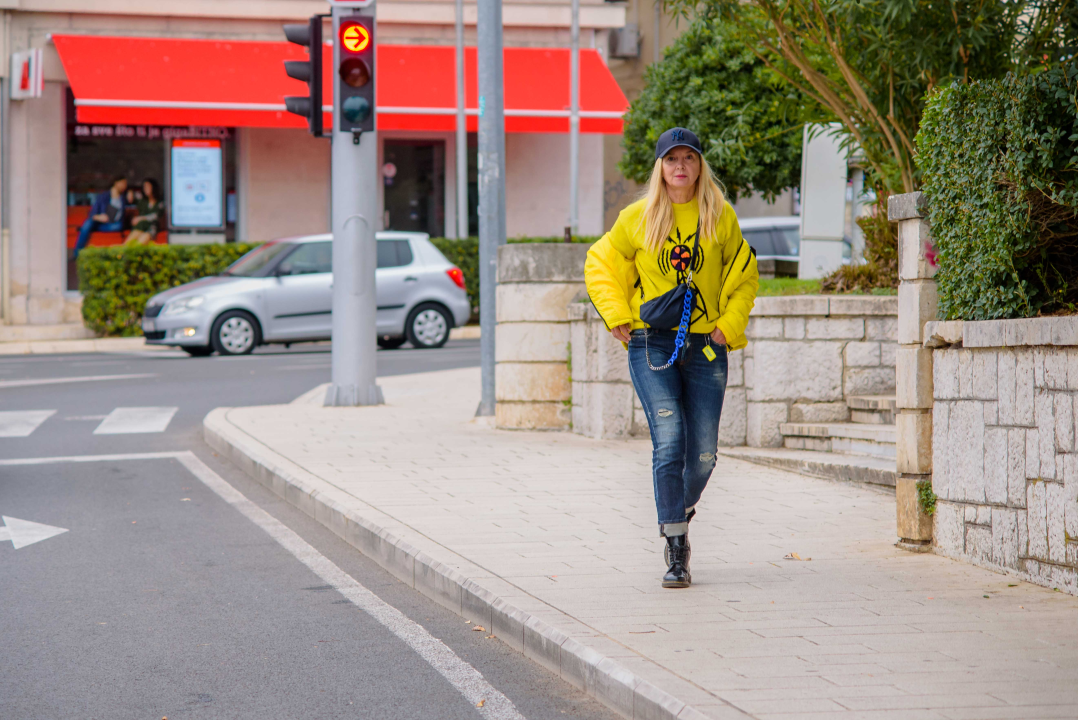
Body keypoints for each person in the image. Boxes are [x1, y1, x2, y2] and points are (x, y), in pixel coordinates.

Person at [584, 128, 759, 589]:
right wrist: (615, 314)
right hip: (652, 343)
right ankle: (677, 548)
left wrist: (727, 327)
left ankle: (676, 508)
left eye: (689, 158)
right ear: (659, 167)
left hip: (706, 346)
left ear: (700, 165)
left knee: (703, 455)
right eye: (671, 159)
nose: (680, 166)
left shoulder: (720, 216)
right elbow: (600, 261)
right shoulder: (638, 216)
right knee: (669, 440)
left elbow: (745, 275)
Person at [73, 176, 128, 259]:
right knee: (88, 222)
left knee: (119, 225)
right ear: (116, 182)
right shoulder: (104, 196)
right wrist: (99, 217)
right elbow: (92, 213)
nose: (124, 186)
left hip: (112, 225)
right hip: (99, 222)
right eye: (123, 183)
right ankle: (76, 254)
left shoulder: (123, 198)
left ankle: (86, 229)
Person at [124, 178, 165, 246]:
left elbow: (156, 216)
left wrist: (141, 218)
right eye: (144, 187)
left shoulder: (160, 203)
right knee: (128, 243)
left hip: (152, 227)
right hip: (140, 227)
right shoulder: (142, 201)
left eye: (148, 186)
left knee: (140, 242)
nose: (146, 189)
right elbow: (131, 198)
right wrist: (130, 192)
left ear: (153, 187)